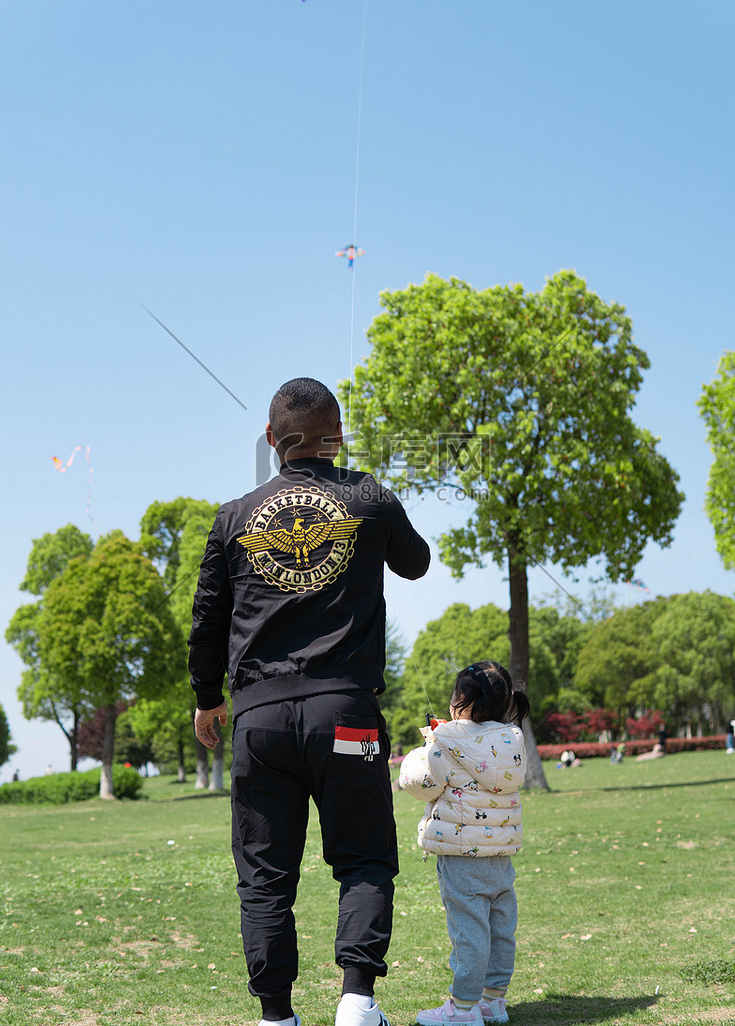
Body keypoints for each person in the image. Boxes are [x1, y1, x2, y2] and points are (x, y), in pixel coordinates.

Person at [188, 378, 430, 1026]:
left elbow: (208, 617)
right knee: (366, 857)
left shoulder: (233, 518)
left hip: (260, 721)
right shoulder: (368, 497)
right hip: (346, 714)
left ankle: (276, 1016)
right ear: (339, 435)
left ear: (271, 439)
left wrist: (207, 699)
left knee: (265, 876)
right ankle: (356, 1001)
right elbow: (418, 562)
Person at [398, 662, 529, 1026]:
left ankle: (463, 1007)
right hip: (500, 854)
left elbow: (415, 782)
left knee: (469, 931)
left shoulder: (445, 742)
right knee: (501, 927)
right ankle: (493, 1001)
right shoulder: (511, 738)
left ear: (461, 699)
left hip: (461, 855)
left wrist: (427, 746)